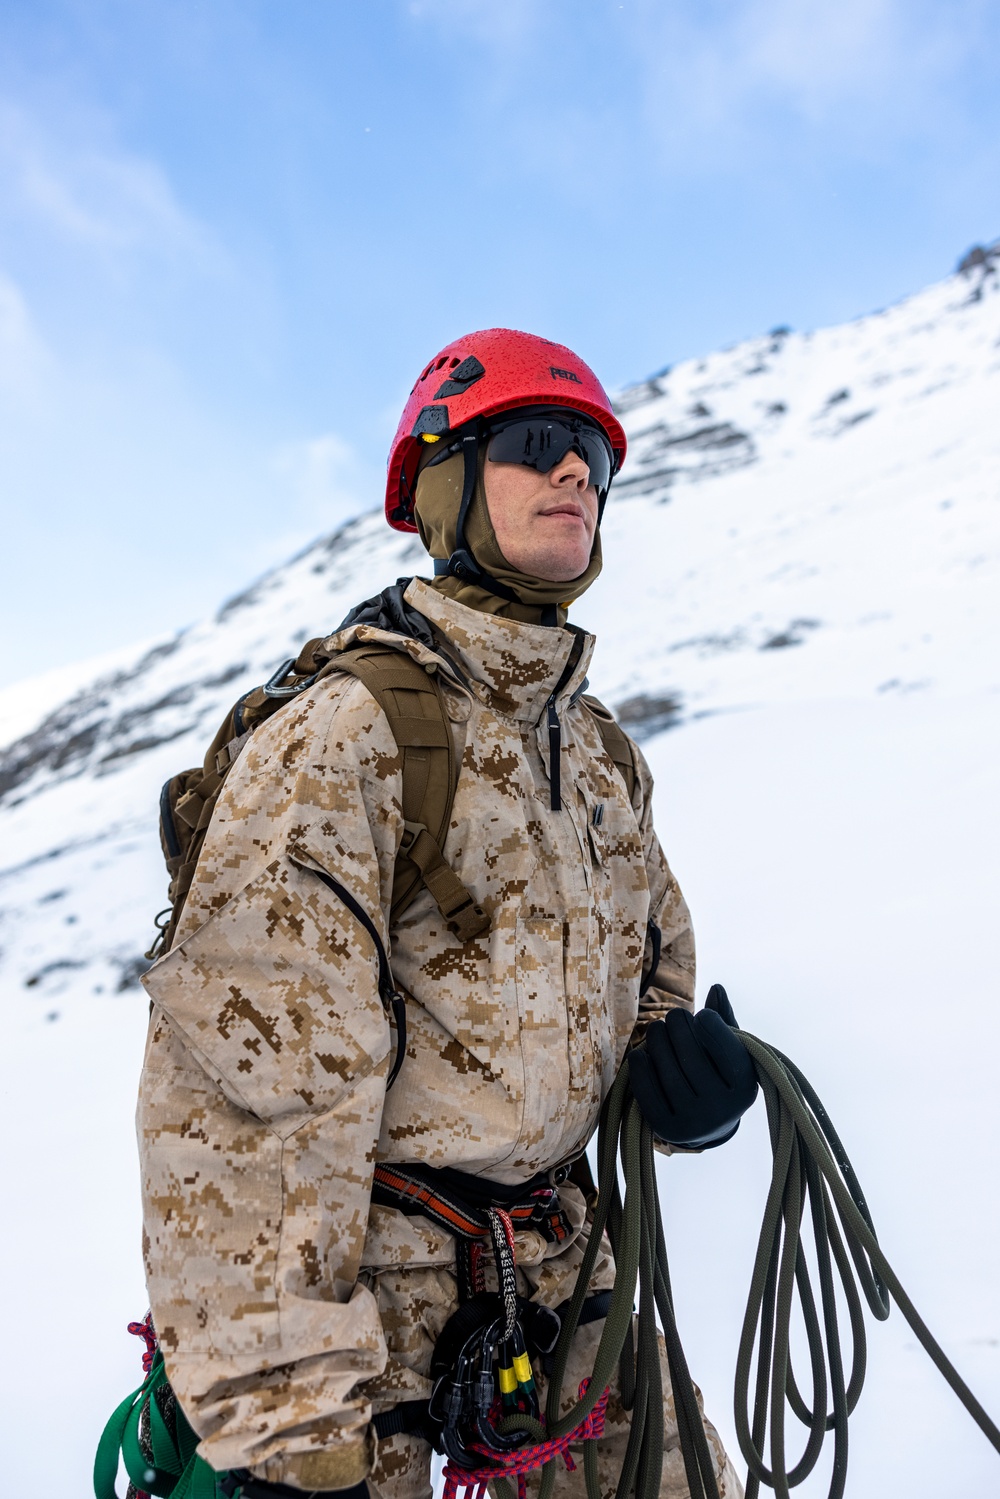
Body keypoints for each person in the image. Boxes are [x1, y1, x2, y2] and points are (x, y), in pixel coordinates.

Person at [137, 328, 756, 1499]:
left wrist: (684, 1084)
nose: (576, 472)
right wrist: (285, 1429)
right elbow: (246, 1114)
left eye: (593, 457)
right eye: (537, 444)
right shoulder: (342, 738)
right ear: (441, 484)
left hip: (558, 1275)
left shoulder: (599, 753)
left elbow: (645, 988)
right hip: (363, 1305)